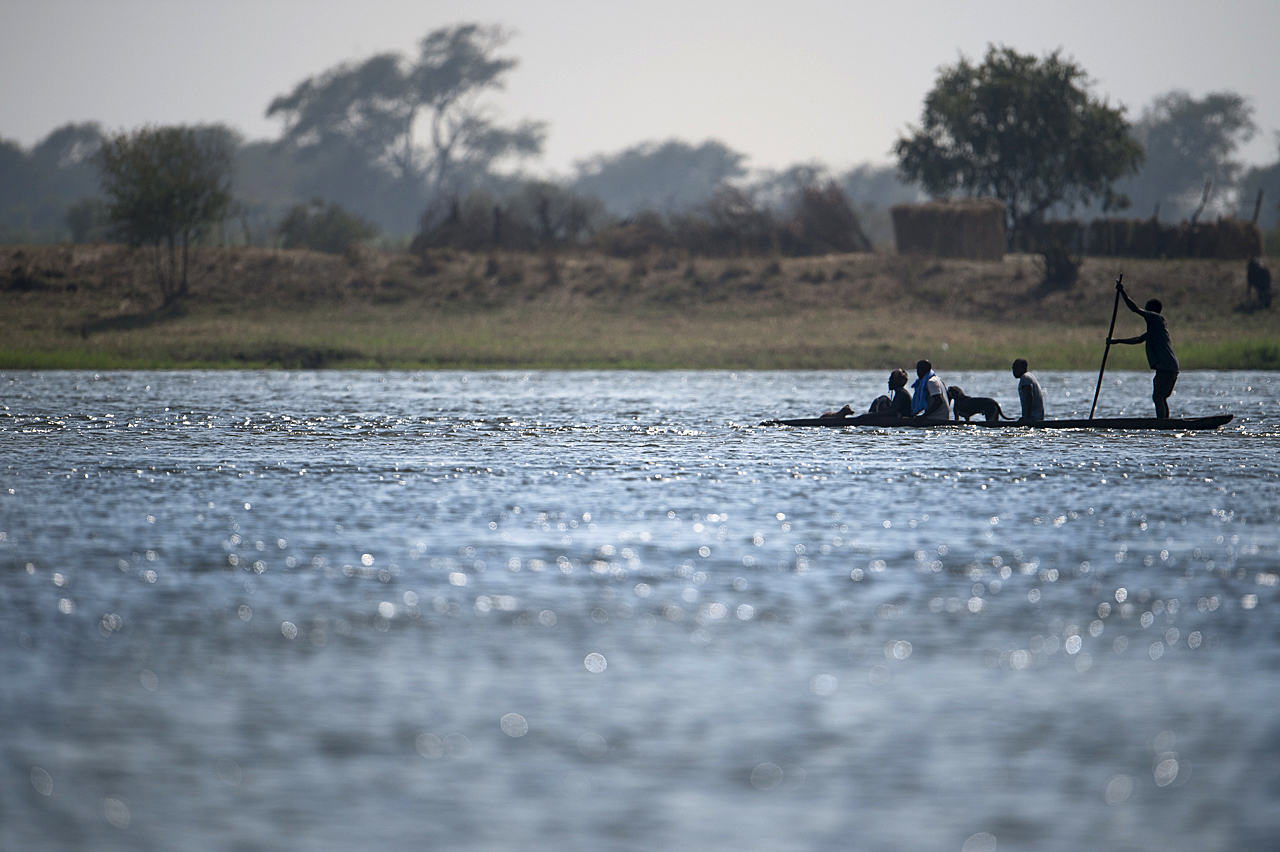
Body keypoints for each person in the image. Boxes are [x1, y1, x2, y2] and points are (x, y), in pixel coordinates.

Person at [1107, 282, 1179, 418]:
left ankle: (1162, 423)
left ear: (1152, 309)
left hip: (1166, 366)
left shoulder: (1156, 318)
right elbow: (1138, 339)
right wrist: (1116, 341)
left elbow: (1134, 309)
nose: (1145, 308)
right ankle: (1164, 422)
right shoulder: (1156, 328)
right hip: (1169, 367)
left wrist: (1122, 292)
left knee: (1158, 397)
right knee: (1160, 397)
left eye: (1147, 306)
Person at [822, 369, 912, 418]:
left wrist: (870, 416)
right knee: (881, 400)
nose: (889, 382)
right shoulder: (900, 392)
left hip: (901, 417)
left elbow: (892, 412)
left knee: (882, 400)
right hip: (897, 415)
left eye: (891, 380)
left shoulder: (901, 392)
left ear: (897, 381)